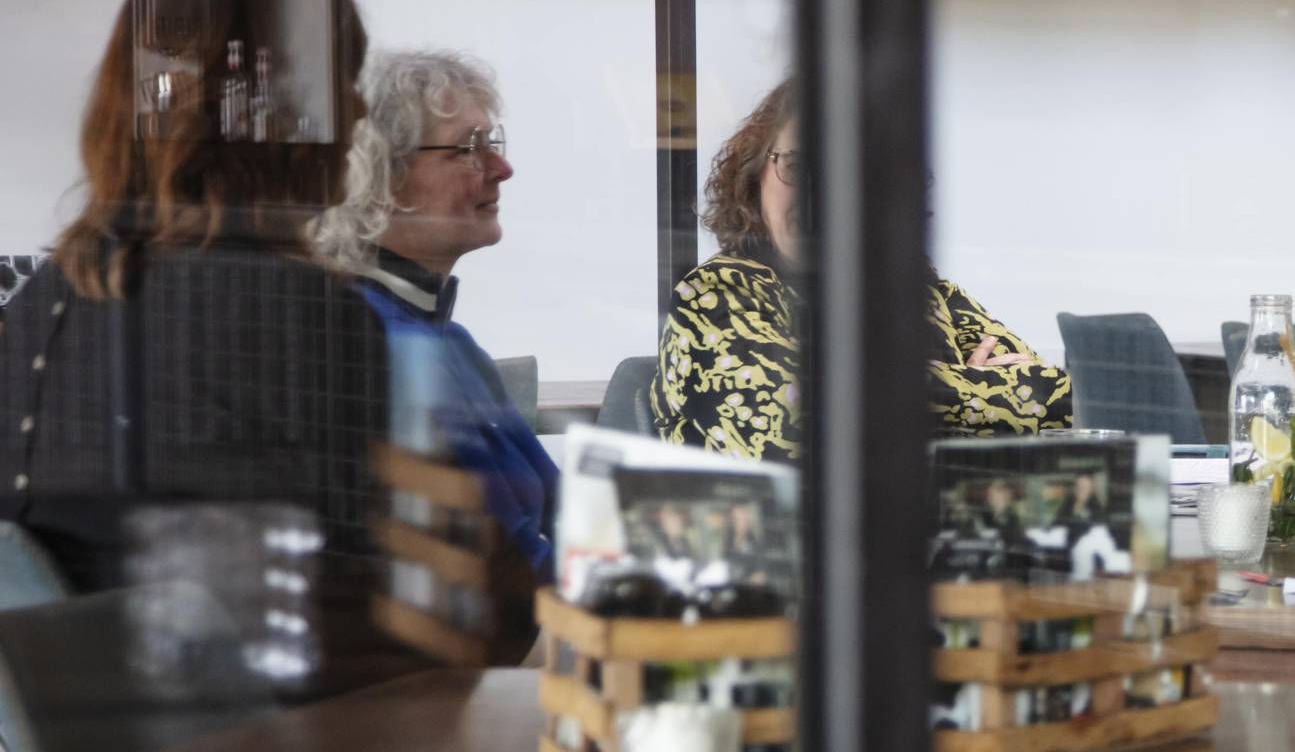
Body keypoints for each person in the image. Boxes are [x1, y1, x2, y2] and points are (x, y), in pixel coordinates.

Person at [0, 0, 411, 701]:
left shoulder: (42, 302)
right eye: (338, 83)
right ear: (267, 107)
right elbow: (366, 631)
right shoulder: (297, 313)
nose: (356, 112)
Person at [652, 81, 1074, 458]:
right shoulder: (716, 293)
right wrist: (978, 389)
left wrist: (850, 391)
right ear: (755, 176)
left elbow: (1059, 401)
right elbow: (791, 426)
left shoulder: (927, 291)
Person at [311, 50, 557, 595]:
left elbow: (565, 512)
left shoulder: (449, 340)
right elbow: (507, 574)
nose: (501, 168)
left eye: (492, 143)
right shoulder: (372, 346)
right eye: (469, 148)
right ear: (378, 179)